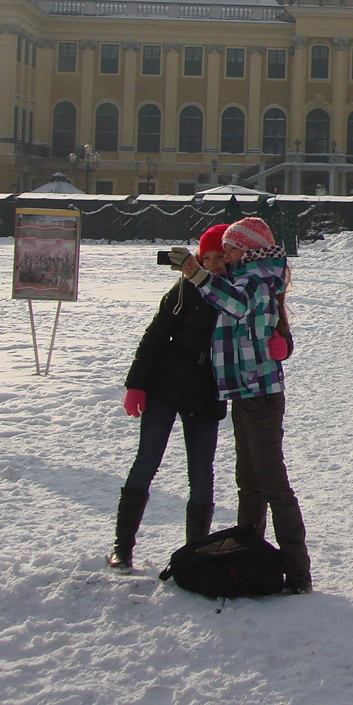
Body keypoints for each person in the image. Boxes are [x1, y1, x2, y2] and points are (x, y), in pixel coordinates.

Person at [175, 216, 311, 594]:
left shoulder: (255, 278)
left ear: (250, 249)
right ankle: (250, 556)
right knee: (249, 482)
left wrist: (196, 274)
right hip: (247, 392)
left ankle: (297, 569)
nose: (228, 256)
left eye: (232, 249)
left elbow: (236, 305)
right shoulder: (254, 276)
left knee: (271, 482)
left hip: (259, 393)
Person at [107, 224, 230, 569]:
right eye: (208, 258)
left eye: (221, 257)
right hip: (167, 383)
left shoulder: (238, 293)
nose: (215, 264)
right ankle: (122, 547)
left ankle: (195, 554)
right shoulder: (184, 290)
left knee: (201, 473)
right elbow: (156, 336)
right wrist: (136, 384)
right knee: (146, 462)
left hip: (207, 392)